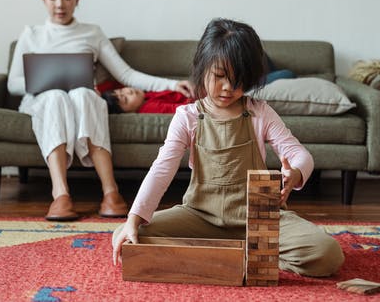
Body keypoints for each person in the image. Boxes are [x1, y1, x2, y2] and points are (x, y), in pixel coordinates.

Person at [112, 18, 345, 277]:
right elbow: (161, 169)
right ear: (203, 67)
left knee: (327, 254)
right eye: (220, 76)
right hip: (199, 216)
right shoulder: (187, 116)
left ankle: (228, 254)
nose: (228, 88)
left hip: (259, 218)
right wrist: (134, 219)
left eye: (239, 80)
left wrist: (297, 173)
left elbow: (299, 154)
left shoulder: (260, 112)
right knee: (125, 235)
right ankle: (248, 254)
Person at [7, 0, 195, 221]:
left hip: (80, 99)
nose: (60, 4)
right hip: (43, 100)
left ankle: (110, 192)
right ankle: (60, 194)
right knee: (56, 97)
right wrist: (47, 84)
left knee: (85, 94)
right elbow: (13, 83)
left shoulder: (92, 32)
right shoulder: (31, 34)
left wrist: (172, 85)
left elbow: (126, 74)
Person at [99, 86, 194, 114]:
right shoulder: (149, 108)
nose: (129, 92)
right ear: (129, 112)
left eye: (121, 90)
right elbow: (178, 109)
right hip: (196, 102)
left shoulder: (145, 96)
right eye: (125, 99)